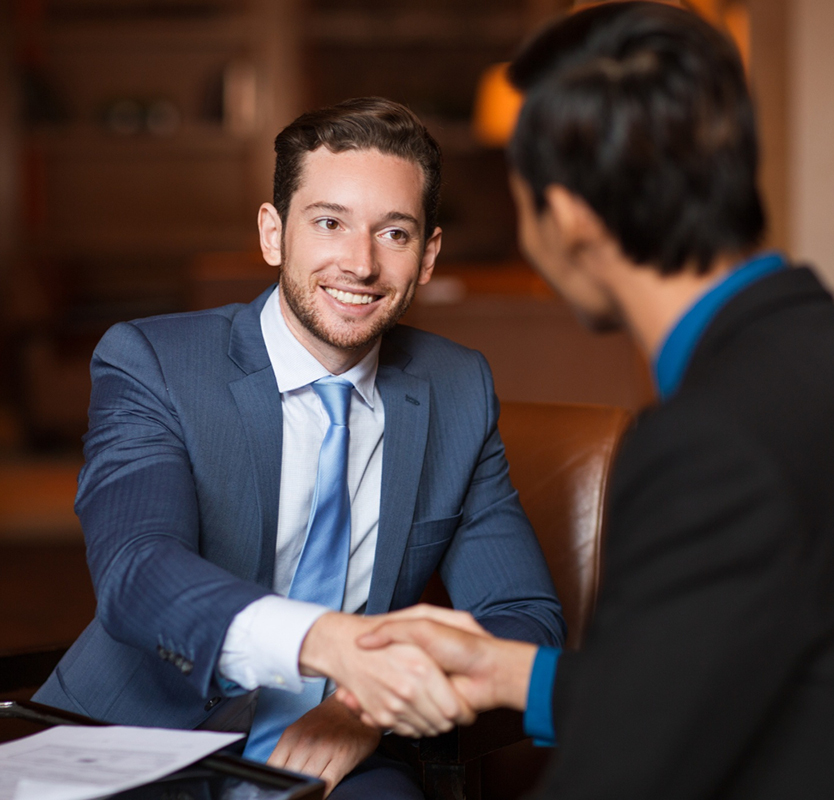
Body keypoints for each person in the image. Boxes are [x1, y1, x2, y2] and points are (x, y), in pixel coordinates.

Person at [341, 5, 834, 798]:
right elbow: (754, 686)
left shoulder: (712, 439)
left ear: (569, 217)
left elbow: (625, 775)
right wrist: (516, 674)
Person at [33, 97, 565, 798]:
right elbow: (137, 573)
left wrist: (363, 707)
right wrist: (330, 644)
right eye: (329, 222)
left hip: (340, 753)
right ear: (273, 233)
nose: (361, 264)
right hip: (137, 741)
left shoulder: (459, 388)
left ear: (428, 256)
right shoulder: (154, 362)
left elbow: (525, 617)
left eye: (394, 233)